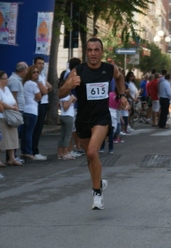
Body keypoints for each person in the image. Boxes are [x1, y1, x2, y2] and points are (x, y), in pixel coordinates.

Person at [59, 37, 128, 210]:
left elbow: (120, 78)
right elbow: (60, 93)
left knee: (91, 152)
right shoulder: (78, 70)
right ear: (86, 52)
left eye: (96, 50)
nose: (93, 53)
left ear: (102, 52)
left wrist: (122, 95)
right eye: (89, 50)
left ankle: (96, 193)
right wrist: (69, 85)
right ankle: (99, 183)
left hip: (101, 118)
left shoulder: (109, 68)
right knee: (91, 158)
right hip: (83, 119)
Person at [0, 71, 22, 167]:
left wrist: (15, 105)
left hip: (11, 116)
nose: (7, 80)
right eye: (5, 78)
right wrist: (12, 107)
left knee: (12, 138)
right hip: (1, 116)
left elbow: (13, 100)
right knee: (0, 139)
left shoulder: (7, 89)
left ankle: (11, 158)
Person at [32, 56, 53, 160]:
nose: (41, 65)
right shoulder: (37, 77)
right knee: (37, 127)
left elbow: (50, 87)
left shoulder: (42, 75)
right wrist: (46, 90)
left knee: (39, 128)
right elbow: (45, 90)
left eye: (42, 63)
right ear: (35, 64)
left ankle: (34, 150)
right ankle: (34, 151)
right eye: (39, 63)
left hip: (44, 102)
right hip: (39, 103)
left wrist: (46, 89)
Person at [8, 62, 28, 163]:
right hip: (17, 110)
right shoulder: (14, 80)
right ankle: (12, 156)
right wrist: (16, 109)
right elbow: (13, 96)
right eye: (26, 70)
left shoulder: (17, 80)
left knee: (17, 134)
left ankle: (13, 156)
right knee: (15, 134)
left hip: (19, 109)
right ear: (23, 70)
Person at [20, 65, 42, 160]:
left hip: (25, 109)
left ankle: (24, 151)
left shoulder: (25, 83)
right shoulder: (33, 84)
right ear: (30, 74)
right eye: (34, 72)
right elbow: (39, 96)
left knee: (25, 132)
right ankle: (28, 152)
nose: (36, 74)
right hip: (32, 110)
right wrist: (36, 99)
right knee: (29, 132)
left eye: (37, 72)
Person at [58, 93, 77, 159]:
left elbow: (58, 105)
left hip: (63, 115)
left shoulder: (62, 96)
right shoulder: (66, 96)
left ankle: (60, 153)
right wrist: (71, 99)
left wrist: (72, 100)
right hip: (68, 116)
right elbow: (65, 107)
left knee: (62, 135)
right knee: (67, 135)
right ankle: (65, 153)